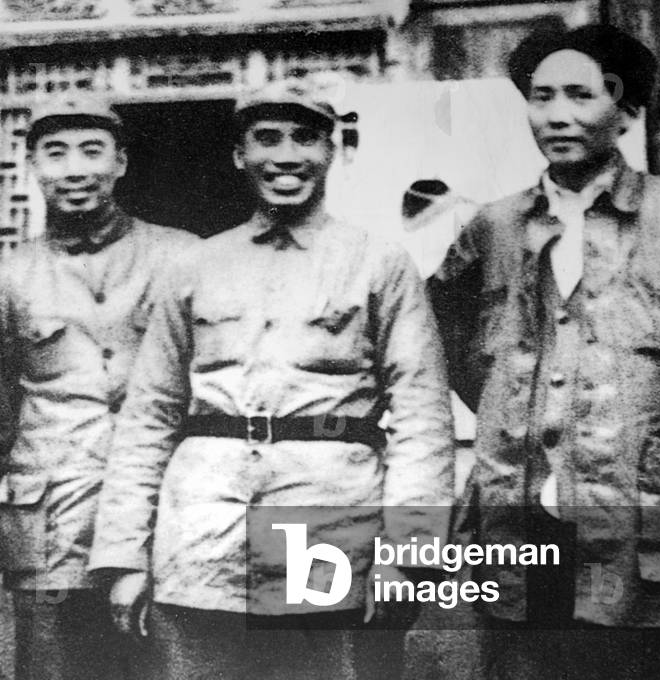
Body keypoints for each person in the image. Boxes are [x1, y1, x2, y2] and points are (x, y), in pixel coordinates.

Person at [429, 24, 660, 680]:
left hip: (650, 531)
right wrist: (503, 404)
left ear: (626, 110)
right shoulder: (494, 226)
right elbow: (431, 327)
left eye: (580, 95)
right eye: (541, 95)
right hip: (520, 532)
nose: (557, 114)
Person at [88, 77, 455, 680]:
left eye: (305, 138)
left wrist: (411, 555)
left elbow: (422, 415)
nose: (285, 156)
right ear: (239, 156)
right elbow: (148, 417)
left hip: (329, 520)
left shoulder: (379, 262)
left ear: (331, 151)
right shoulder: (194, 265)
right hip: (204, 530)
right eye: (266, 138)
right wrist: (124, 556)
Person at [0, 96, 196, 680]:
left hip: (163, 515)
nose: (74, 169)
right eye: (55, 153)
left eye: (91, 151)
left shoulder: (182, 257)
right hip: (51, 525)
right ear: (32, 166)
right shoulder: (10, 277)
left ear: (121, 163)